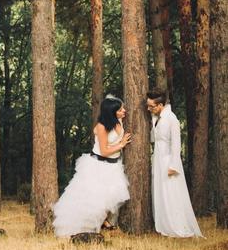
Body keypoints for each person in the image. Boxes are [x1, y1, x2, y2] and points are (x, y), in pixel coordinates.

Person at [53, 95, 131, 237]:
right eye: (120, 110)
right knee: (94, 198)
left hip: (113, 166)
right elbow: (105, 151)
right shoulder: (101, 127)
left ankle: (104, 221)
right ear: (112, 113)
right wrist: (121, 144)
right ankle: (90, 226)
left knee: (111, 196)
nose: (124, 111)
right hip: (98, 165)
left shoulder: (119, 121)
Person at [146, 90, 203, 238]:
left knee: (171, 192)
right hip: (157, 158)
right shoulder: (155, 117)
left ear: (160, 105)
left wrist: (173, 165)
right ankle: (162, 223)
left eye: (151, 106)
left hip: (168, 160)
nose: (148, 109)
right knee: (160, 191)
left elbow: (176, 145)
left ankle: (176, 225)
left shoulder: (172, 119)